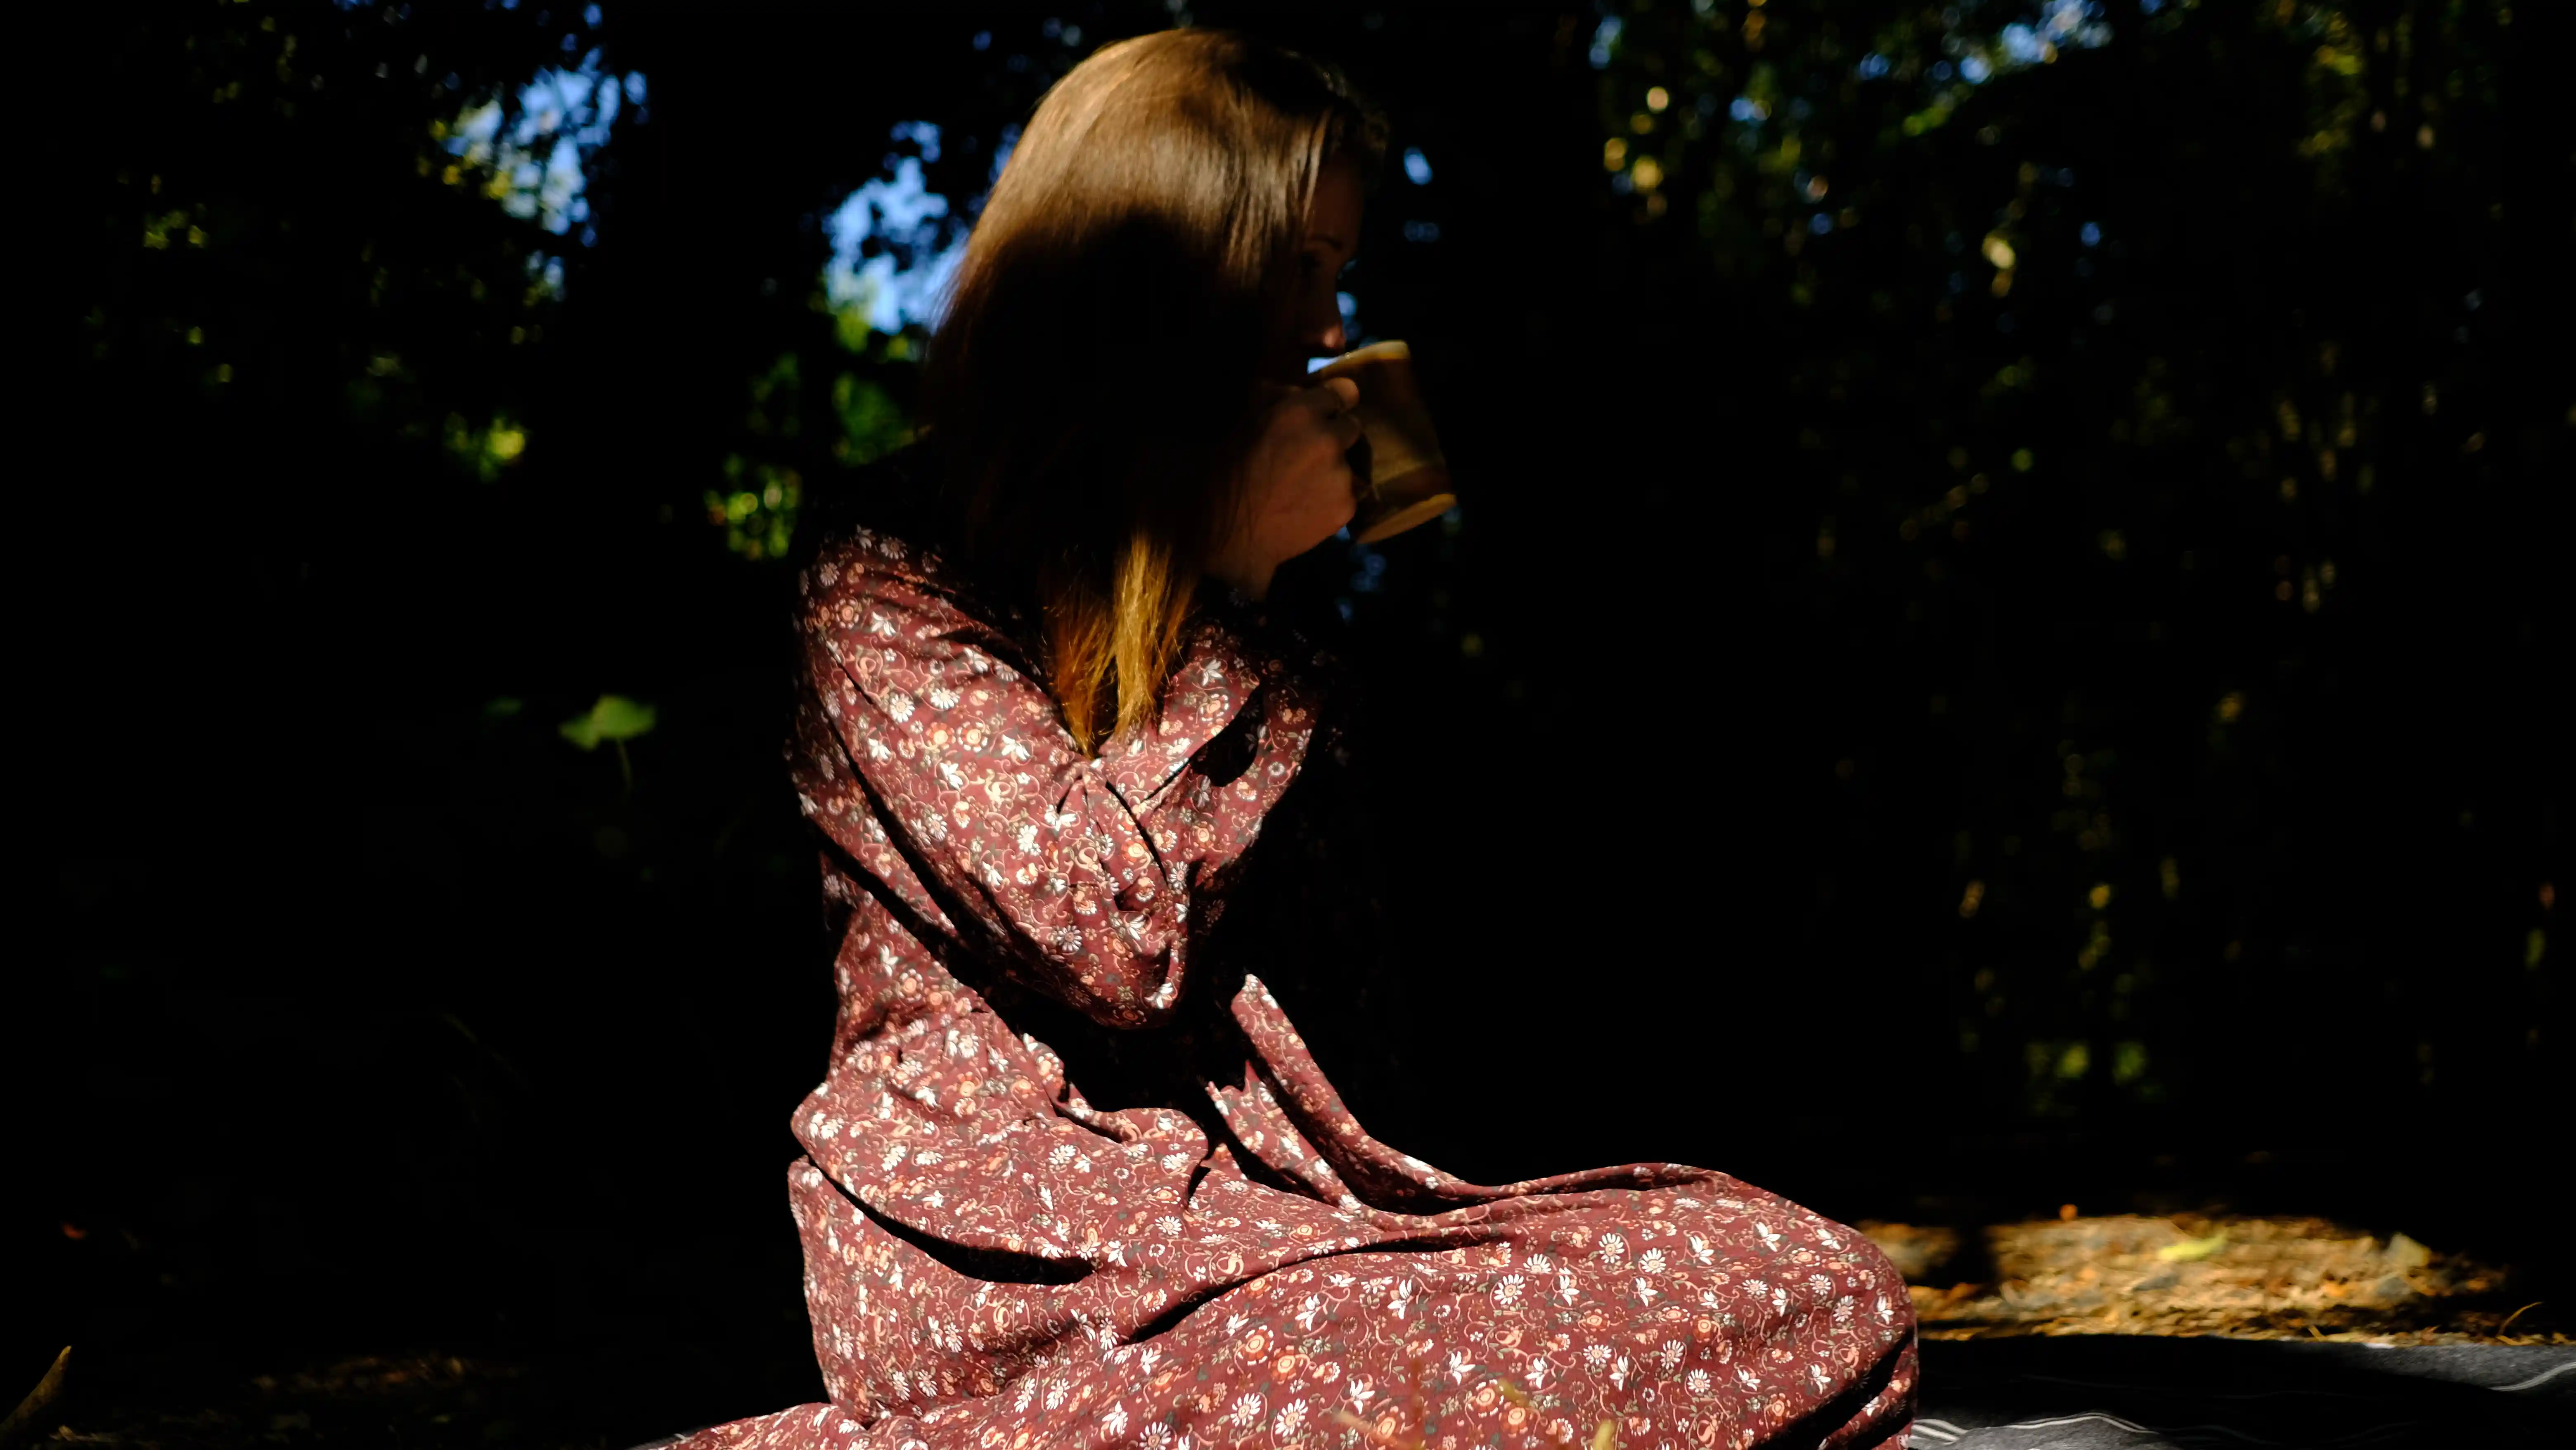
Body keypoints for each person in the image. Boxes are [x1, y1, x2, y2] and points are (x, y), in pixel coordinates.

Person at [667, 29, 1915, 1450]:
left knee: (1810, 1281)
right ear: (1168, 267)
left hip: (1278, 1243)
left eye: (1339, 272)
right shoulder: (887, 563)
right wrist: (1237, 598)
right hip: (1015, 1256)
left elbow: (1353, 1033)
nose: (1328, 329)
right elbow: (1111, 943)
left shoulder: (1269, 637)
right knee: (1513, 1358)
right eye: (1303, 266)